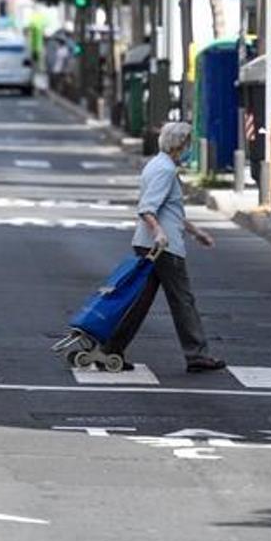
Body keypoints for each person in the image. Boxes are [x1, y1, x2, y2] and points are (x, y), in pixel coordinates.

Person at [104, 121, 226, 373]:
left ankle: (110, 349)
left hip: (148, 244)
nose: (190, 148)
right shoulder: (165, 170)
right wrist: (159, 232)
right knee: (183, 300)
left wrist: (196, 232)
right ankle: (197, 355)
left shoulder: (157, 164)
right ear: (179, 145)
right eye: (188, 143)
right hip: (164, 248)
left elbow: (170, 210)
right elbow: (148, 208)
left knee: (139, 302)